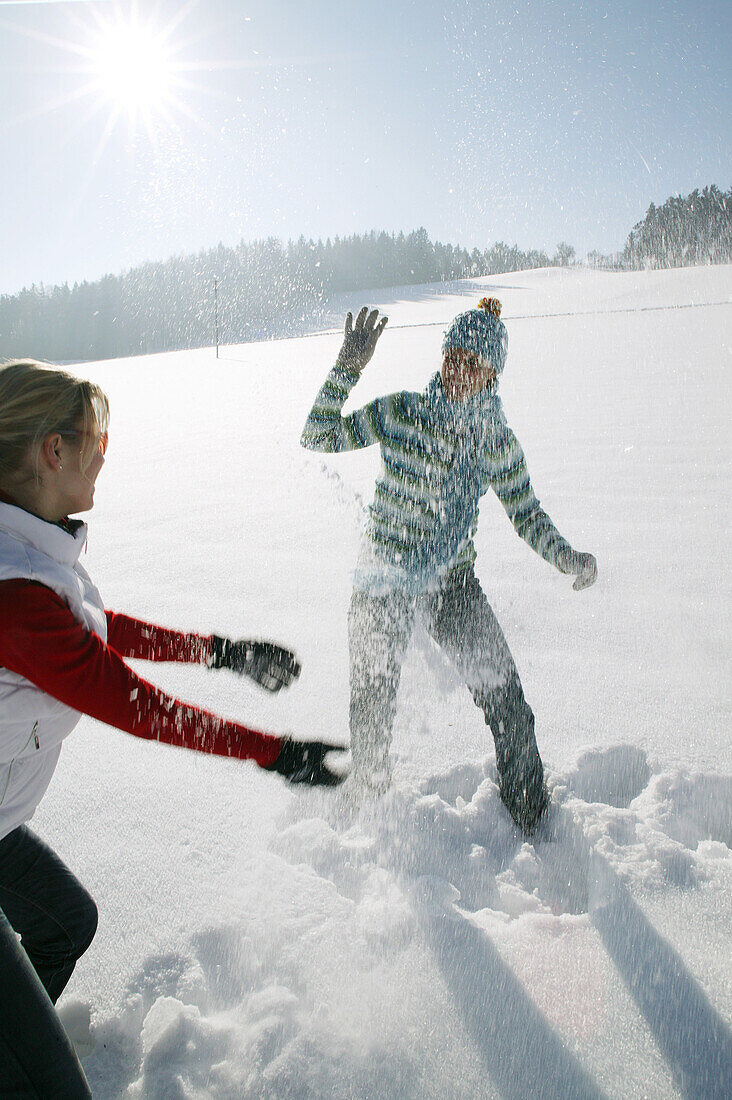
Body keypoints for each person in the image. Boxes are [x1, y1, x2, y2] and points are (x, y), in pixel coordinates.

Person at [0, 360, 345, 1098]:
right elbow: (130, 703)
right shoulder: (13, 594)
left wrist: (222, 652)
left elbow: (97, 628)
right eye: (96, 436)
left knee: (66, 923)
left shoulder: (34, 551)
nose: (105, 451)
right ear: (52, 452)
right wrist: (275, 753)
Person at [301, 299, 597, 834]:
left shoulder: (493, 442)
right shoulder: (401, 412)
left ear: (492, 376)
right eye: (452, 355)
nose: (458, 370)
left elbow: (525, 512)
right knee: (371, 709)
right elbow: (317, 436)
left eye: (472, 362)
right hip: (381, 581)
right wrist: (347, 368)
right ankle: (368, 811)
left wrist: (565, 556)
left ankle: (532, 816)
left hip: (451, 585)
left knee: (505, 698)